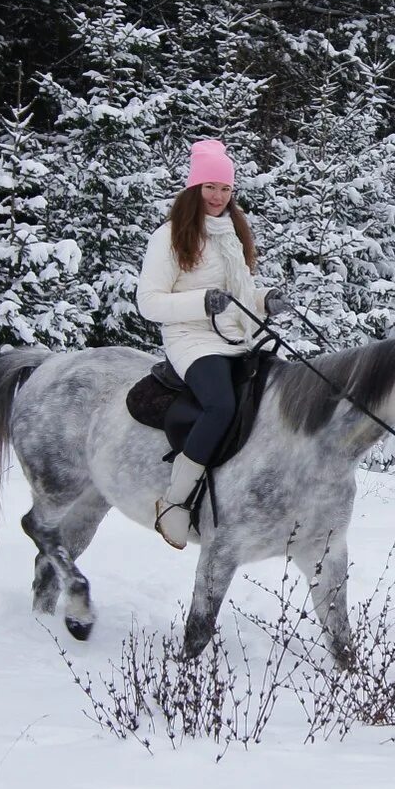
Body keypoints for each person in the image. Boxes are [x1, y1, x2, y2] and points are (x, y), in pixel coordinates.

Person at [137, 139, 287, 547]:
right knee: (221, 403)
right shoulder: (168, 237)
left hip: (237, 334)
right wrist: (202, 302)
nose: (219, 197)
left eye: (225, 189)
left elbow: (239, 293)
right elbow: (149, 303)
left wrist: (265, 301)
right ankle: (175, 501)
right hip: (191, 338)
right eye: (210, 187)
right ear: (193, 189)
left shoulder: (231, 233)